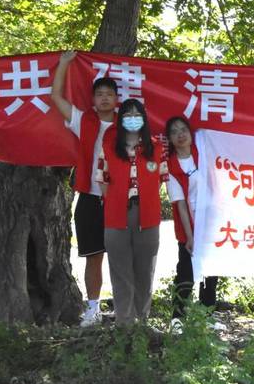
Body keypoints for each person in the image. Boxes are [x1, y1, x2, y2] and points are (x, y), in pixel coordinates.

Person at [51, 50, 117, 327]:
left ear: (116, 99)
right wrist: (64, 64)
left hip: (120, 200)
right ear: (93, 99)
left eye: (109, 94)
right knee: (93, 256)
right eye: (99, 94)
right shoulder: (84, 120)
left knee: (123, 257)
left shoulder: (128, 124)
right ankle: (93, 309)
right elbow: (56, 97)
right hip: (89, 197)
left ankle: (128, 310)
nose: (104, 98)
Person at [97, 98, 167, 325]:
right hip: (116, 214)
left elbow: (160, 180)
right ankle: (124, 322)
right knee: (120, 269)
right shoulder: (109, 146)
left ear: (144, 119)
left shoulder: (156, 147)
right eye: (128, 115)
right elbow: (102, 180)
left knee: (145, 269)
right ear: (121, 120)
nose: (133, 119)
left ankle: (142, 321)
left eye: (137, 114)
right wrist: (116, 200)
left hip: (148, 214)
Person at [164, 116, 197, 332]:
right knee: (186, 273)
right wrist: (190, 237)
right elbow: (181, 204)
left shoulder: (203, 153)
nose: (180, 135)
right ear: (169, 139)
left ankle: (208, 315)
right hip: (188, 228)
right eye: (174, 132)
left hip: (210, 222)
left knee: (210, 272)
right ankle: (177, 319)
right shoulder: (170, 166)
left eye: (183, 129)